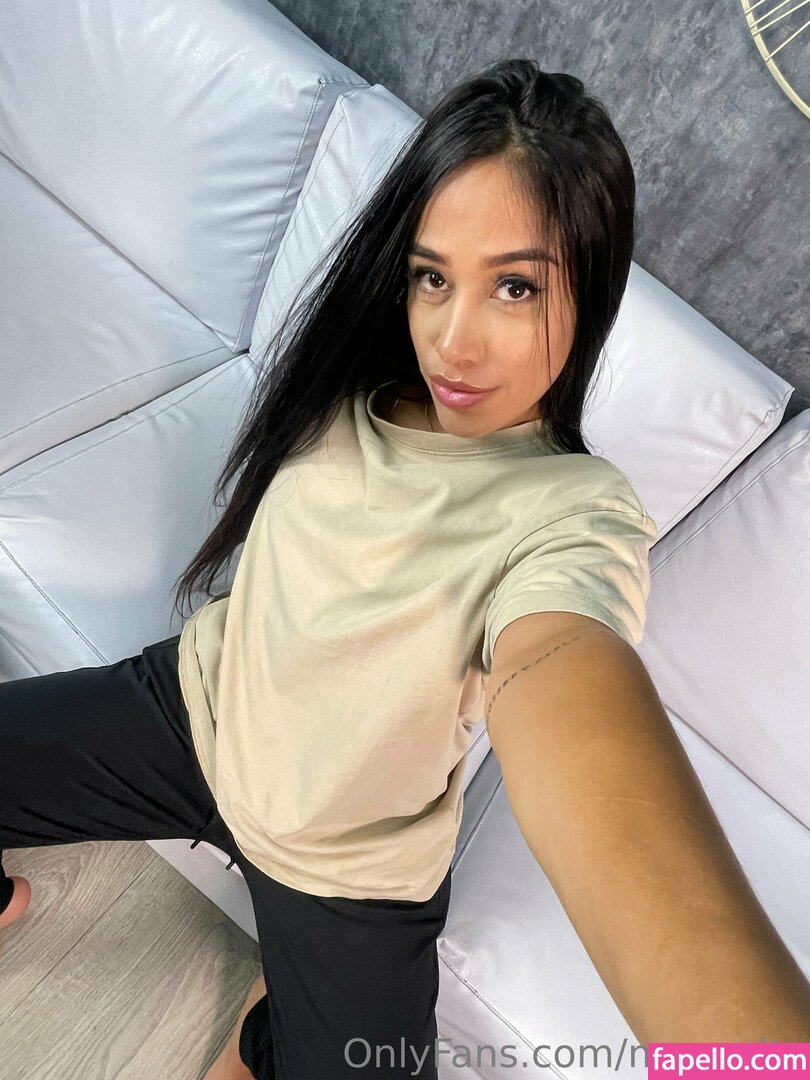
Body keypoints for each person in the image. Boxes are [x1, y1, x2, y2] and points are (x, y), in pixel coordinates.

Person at [2, 58, 809, 1080]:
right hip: (194, 715)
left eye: (514, 286)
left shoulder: (576, 513)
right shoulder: (353, 383)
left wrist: (748, 1057)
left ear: (589, 294)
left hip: (349, 872)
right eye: (433, 277)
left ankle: (273, 1019)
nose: (454, 342)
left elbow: (562, 668)